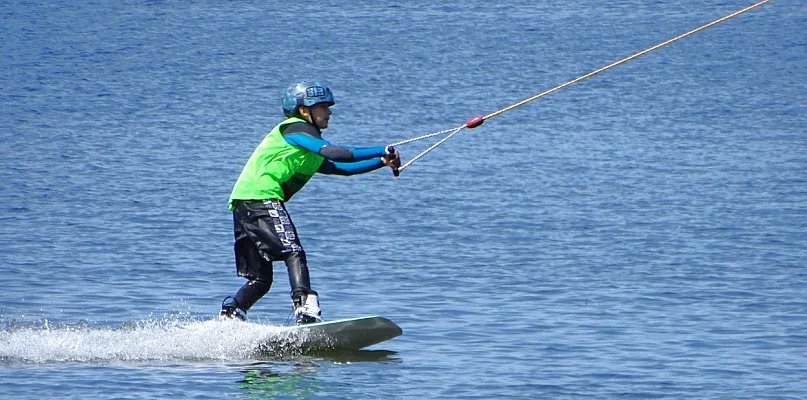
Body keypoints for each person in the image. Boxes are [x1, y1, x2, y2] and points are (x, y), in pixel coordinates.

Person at [219, 80, 401, 324]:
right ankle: (305, 307)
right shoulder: (295, 130)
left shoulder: (308, 148)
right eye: (323, 107)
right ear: (304, 111)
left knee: (261, 280)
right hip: (260, 198)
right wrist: (383, 148)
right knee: (293, 251)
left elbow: (340, 167)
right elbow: (337, 153)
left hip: (243, 204)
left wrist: (381, 161)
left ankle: (232, 313)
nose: (329, 112)